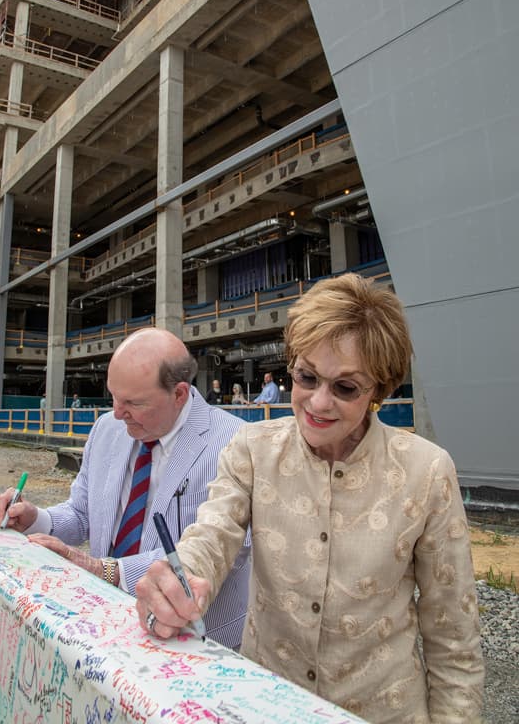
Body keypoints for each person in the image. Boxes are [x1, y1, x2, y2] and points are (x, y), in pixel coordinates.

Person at [135, 274, 484, 724]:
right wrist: (182, 578)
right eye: (306, 377)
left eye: (345, 387)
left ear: (378, 390)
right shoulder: (252, 449)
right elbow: (212, 534)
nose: (318, 403)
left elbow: (453, 639)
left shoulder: (427, 472)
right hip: (266, 706)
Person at [0, 328, 250, 649]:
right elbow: (81, 513)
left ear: (179, 394)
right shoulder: (107, 428)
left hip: (193, 641)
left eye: (133, 402)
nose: (117, 412)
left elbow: (228, 551)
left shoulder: (236, 443)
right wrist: (37, 519)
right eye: (114, 396)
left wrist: (109, 571)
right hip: (107, 627)